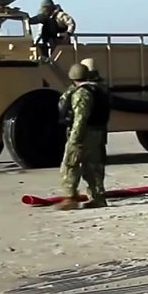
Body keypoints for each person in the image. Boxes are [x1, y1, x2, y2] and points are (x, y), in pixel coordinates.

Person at [56, 62, 108, 210]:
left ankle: (70, 197)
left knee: (70, 164)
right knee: (94, 166)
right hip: (98, 133)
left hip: (84, 133)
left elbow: (80, 117)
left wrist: (75, 139)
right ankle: (98, 197)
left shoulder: (81, 93)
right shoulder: (100, 90)